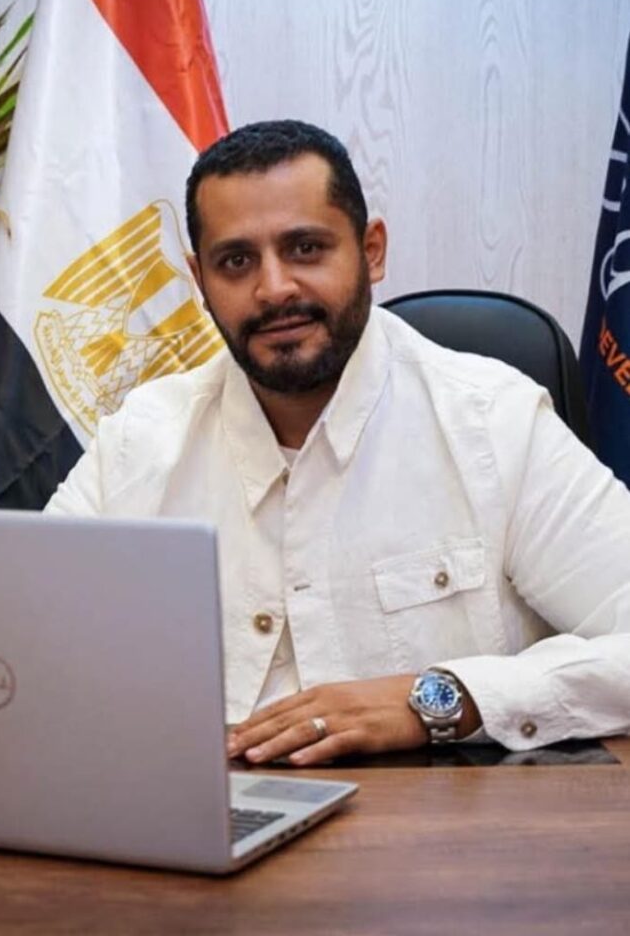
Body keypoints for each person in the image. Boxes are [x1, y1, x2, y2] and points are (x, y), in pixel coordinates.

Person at [45, 119, 630, 767]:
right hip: (195, 810)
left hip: (434, 822)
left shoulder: (494, 423)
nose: (274, 288)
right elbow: (25, 646)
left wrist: (435, 699)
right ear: (200, 280)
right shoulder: (139, 441)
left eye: (305, 248)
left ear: (371, 251)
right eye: (236, 261)